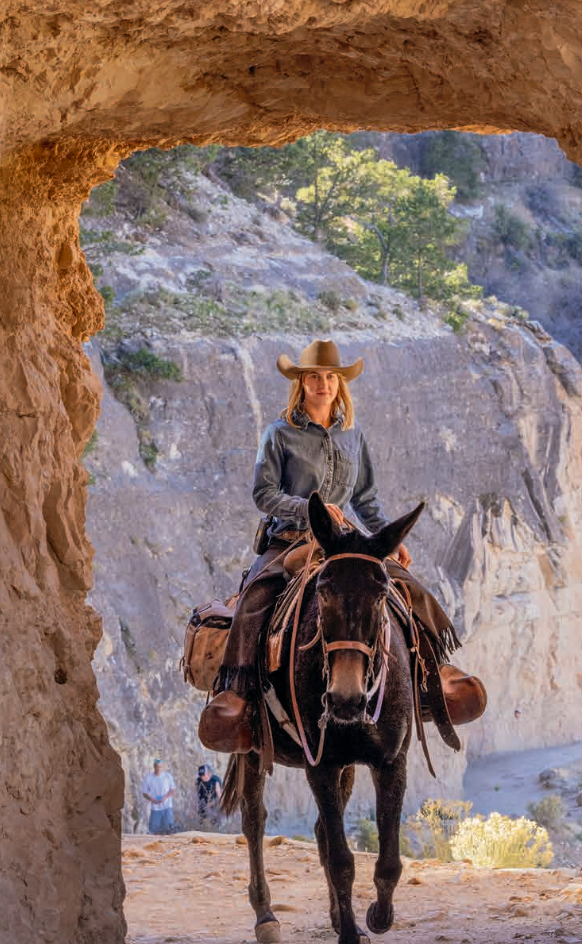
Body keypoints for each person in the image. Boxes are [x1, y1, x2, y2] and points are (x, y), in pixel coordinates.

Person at [199, 339, 485, 756]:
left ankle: (432, 672)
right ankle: (238, 694)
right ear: (301, 382)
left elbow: (366, 498)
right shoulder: (279, 434)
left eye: (331, 377)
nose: (323, 384)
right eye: (314, 376)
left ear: (340, 384)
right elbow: (263, 494)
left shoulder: (353, 436)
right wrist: (310, 508)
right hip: (289, 538)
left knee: (405, 587)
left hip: (344, 539)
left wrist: (388, 538)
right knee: (256, 597)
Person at [141, 757, 176, 834]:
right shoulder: (148, 778)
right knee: (153, 831)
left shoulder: (168, 776)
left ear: (163, 767)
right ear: (154, 766)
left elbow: (173, 790)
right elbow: (144, 793)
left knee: (169, 830)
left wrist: (165, 797)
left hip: (167, 807)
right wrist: (152, 799)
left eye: (160, 766)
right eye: (156, 766)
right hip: (155, 808)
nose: (158, 768)